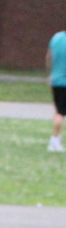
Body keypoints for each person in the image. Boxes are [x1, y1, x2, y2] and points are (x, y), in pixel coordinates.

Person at [46, 22, 66, 152]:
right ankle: (54, 141)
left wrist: (50, 74)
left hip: (55, 80)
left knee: (59, 111)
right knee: (60, 113)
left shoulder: (56, 37)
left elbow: (49, 57)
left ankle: (57, 139)